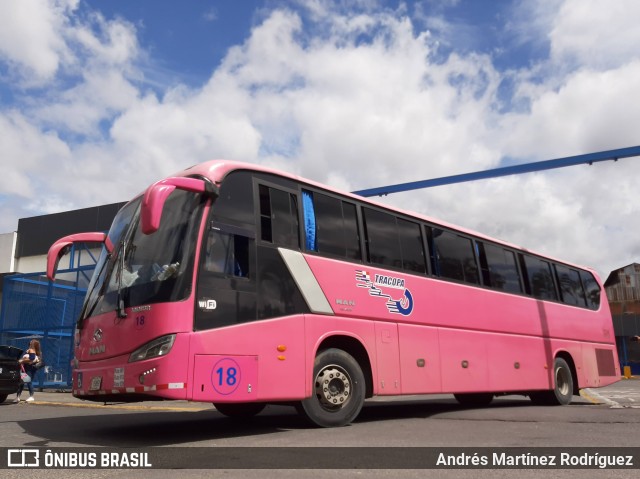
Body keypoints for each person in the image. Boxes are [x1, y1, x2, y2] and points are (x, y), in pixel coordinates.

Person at [13, 339, 42, 403]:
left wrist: (22, 360)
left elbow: (32, 358)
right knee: (23, 382)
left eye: (31, 342)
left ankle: (29, 397)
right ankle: (18, 397)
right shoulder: (36, 351)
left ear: (32, 344)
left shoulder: (31, 350)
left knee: (26, 382)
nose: (29, 342)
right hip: (29, 368)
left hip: (27, 368)